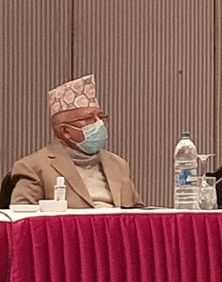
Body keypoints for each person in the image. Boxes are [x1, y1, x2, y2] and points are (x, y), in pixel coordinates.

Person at [10, 74, 142, 208]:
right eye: (89, 119)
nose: (99, 124)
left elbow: (139, 213)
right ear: (65, 131)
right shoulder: (34, 167)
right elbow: (22, 216)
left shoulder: (118, 164)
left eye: (100, 117)